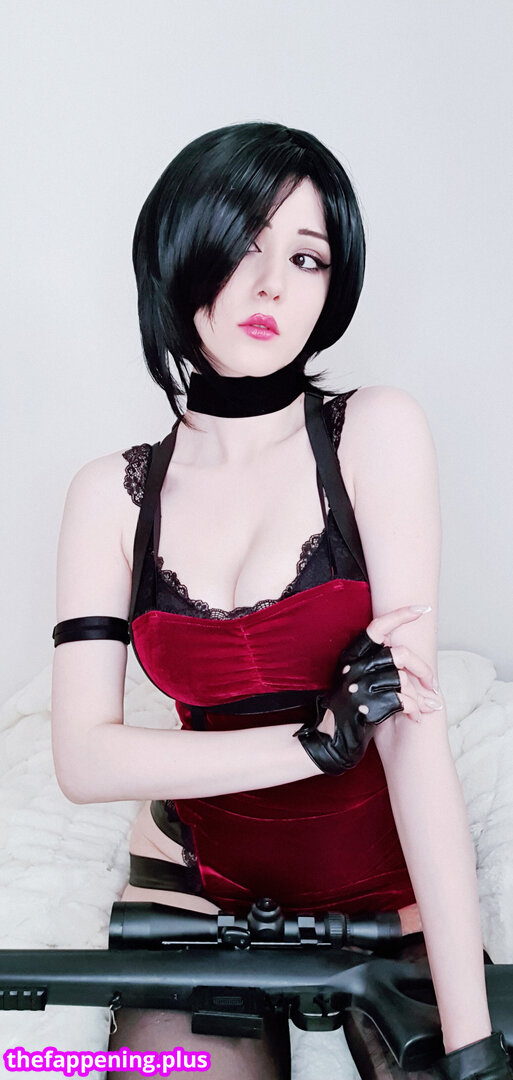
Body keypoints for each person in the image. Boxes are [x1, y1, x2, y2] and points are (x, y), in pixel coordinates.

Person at [51, 122, 511, 1080]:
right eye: (244, 245)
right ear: (178, 254)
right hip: (192, 895)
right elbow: (85, 760)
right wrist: (311, 743)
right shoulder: (111, 495)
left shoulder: (373, 432)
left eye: (306, 258)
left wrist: (473, 1044)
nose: (271, 286)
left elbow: (411, 726)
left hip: (387, 895)